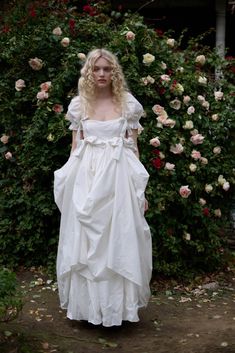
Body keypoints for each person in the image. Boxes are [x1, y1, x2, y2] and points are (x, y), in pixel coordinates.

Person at [54, 48, 152, 327]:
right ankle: (88, 310)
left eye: (107, 69)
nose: (101, 74)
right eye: (96, 69)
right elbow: (75, 148)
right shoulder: (79, 105)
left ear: (114, 73)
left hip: (119, 181)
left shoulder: (128, 104)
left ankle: (116, 311)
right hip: (87, 179)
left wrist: (139, 191)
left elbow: (133, 148)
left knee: (118, 239)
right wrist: (69, 185)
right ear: (88, 72)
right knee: (85, 244)